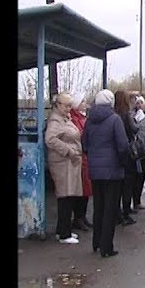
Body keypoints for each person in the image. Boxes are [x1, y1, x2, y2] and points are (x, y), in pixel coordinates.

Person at [82, 89, 129, 257]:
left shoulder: (89, 120)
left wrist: (94, 158)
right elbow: (122, 145)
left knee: (98, 206)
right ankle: (106, 247)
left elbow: (84, 144)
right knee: (110, 208)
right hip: (113, 170)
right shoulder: (115, 119)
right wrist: (123, 163)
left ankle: (96, 242)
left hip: (95, 170)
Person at [44, 93, 84, 244]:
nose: (69, 108)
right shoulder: (55, 121)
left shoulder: (63, 119)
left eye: (69, 105)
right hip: (62, 163)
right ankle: (64, 234)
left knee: (68, 196)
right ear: (58, 105)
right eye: (66, 105)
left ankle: (63, 229)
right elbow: (50, 139)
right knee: (65, 196)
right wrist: (68, 150)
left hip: (68, 162)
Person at [114, 89, 139, 226]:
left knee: (118, 185)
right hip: (128, 151)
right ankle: (126, 212)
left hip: (116, 153)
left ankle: (117, 213)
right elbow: (134, 129)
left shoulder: (113, 114)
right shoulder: (126, 114)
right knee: (128, 183)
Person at [69, 93, 93, 232]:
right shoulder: (73, 119)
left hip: (85, 157)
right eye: (82, 101)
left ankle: (82, 216)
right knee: (79, 189)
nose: (85, 103)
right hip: (78, 157)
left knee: (85, 189)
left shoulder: (82, 117)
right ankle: (78, 217)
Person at [133, 96, 145, 211]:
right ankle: (134, 201)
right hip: (136, 150)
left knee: (142, 176)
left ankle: (138, 200)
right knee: (136, 176)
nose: (139, 105)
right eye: (137, 103)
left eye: (141, 103)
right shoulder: (132, 116)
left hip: (144, 149)